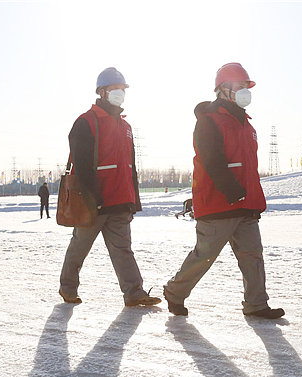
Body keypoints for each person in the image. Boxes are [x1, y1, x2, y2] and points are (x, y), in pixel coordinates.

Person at [163, 62, 284, 319]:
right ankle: (175, 292)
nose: (244, 92)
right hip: (218, 201)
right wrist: (231, 190)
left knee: (252, 255)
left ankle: (256, 304)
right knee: (204, 255)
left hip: (246, 202)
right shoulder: (209, 122)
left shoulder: (246, 124)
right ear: (223, 90)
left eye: (246, 87)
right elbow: (211, 159)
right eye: (239, 86)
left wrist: (252, 197)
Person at [58, 67, 161, 307]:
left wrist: (133, 200)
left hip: (120, 202)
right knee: (79, 247)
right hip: (93, 203)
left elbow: (130, 168)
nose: (119, 93)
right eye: (114, 89)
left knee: (123, 250)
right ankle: (68, 288)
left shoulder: (126, 127)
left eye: (122, 89)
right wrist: (94, 199)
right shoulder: (85, 123)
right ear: (102, 92)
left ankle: (134, 292)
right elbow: (82, 167)